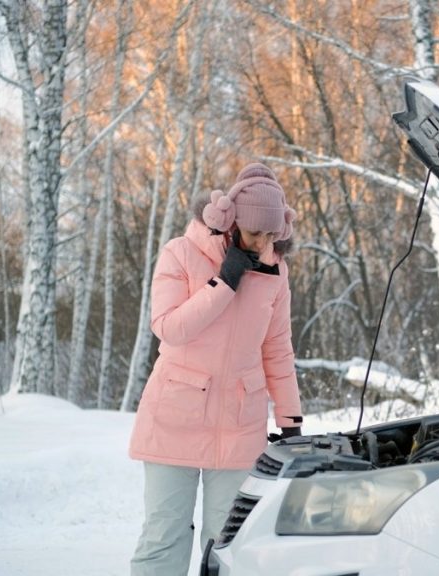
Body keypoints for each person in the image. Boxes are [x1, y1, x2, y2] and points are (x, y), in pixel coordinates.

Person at [128, 162, 302, 575]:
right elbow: (169, 328)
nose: (263, 243)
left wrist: (290, 419)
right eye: (255, 232)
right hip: (175, 416)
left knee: (227, 543)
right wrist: (224, 283)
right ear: (231, 221)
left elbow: (277, 349)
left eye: (271, 234)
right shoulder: (180, 253)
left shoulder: (275, 270)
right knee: (164, 536)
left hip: (240, 422)